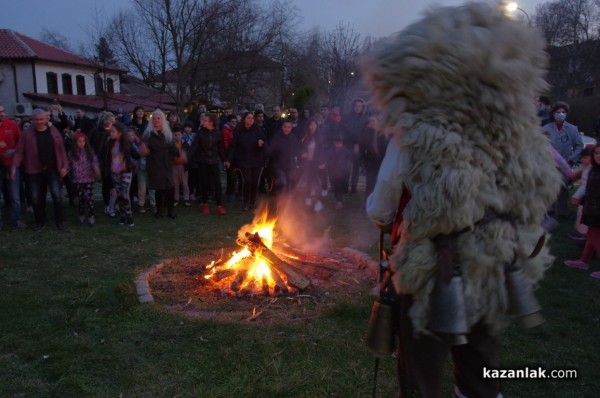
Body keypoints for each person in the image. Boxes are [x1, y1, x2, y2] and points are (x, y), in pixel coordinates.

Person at [363, 3, 562, 397]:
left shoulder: (415, 130)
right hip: (493, 265)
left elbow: (383, 205)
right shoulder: (521, 131)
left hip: (430, 267)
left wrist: (386, 220)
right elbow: (539, 196)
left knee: (422, 372)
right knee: (482, 371)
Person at [11, 108, 70, 231]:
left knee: (57, 195)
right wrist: (14, 167)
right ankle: (39, 221)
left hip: (53, 169)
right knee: (36, 197)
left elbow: (61, 150)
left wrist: (65, 166)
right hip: (34, 171)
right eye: (36, 120)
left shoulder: (53, 131)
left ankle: (59, 221)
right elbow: (19, 152)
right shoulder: (27, 134)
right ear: (33, 120)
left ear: (46, 119)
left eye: (41, 119)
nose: (39, 122)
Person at [564, 144, 600, 278]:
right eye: (596, 153)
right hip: (592, 209)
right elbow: (589, 189)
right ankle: (583, 261)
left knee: (594, 235)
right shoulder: (593, 170)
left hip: (597, 211)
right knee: (591, 235)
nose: (598, 156)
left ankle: (584, 261)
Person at [542, 101, 583, 217]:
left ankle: (562, 211)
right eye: (558, 112)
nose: (560, 114)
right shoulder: (546, 128)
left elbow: (579, 145)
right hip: (549, 163)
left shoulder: (572, 129)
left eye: (563, 112)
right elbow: (540, 144)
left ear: (566, 114)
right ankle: (548, 209)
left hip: (566, 162)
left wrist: (572, 158)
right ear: (553, 113)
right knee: (548, 186)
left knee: (563, 188)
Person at [140, 109, 179, 219]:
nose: (156, 120)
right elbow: (144, 150)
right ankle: (159, 211)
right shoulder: (148, 134)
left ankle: (171, 210)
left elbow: (173, 148)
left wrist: (178, 154)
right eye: (154, 118)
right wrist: (144, 151)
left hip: (167, 163)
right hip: (154, 164)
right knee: (159, 188)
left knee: (170, 187)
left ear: (162, 120)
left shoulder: (167, 133)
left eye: (159, 118)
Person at [224, 112, 266, 211]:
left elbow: (265, 142)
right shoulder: (238, 132)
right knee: (247, 181)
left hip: (257, 161)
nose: (251, 119)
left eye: (252, 118)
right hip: (244, 161)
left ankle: (253, 202)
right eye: (249, 118)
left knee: (255, 182)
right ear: (244, 120)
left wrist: (262, 143)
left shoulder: (257, 131)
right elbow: (233, 147)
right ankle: (246, 202)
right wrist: (228, 159)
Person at [190, 113, 226, 215]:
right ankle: (205, 204)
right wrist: (186, 157)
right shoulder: (200, 133)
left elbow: (220, 148)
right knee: (204, 183)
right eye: (203, 120)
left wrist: (225, 160)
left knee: (217, 184)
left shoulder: (217, 133)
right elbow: (194, 147)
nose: (202, 122)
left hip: (214, 161)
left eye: (205, 120)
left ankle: (219, 205)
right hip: (203, 161)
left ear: (211, 122)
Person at [0, 104, 26, 229]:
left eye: (3, 111)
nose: (2, 114)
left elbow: (21, 143)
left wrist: (13, 151)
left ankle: (16, 219)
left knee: (15, 195)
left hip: (11, 165)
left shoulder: (12, 125)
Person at [107, 122, 139, 226]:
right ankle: (122, 215)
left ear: (119, 133)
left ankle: (129, 216)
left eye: (113, 131)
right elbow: (106, 156)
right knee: (119, 194)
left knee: (125, 194)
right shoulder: (110, 142)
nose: (111, 133)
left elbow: (136, 154)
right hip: (115, 172)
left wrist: (141, 149)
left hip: (126, 171)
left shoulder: (127, 142)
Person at [69, 131, 100, 226]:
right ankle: (81, 216)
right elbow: (68, 164)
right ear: (75, 142)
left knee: (89, 198)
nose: (81, 143)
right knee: (81, 199)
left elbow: (94, 162)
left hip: (88, 179)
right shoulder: (72, 153)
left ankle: (91, 217)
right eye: (79, 141)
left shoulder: (89, 152)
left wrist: (97, 171)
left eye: (83, 141)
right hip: (78, 180)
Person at [339, 98, 368, 193]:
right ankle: (344, 186)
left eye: (359, 106)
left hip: (358, 147)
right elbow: (341, 130)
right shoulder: (346, 117)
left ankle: (354, 187)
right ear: (353, 106)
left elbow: (365, 133)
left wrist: (357, 143)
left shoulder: (365, 119)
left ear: (362, 107)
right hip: (347, 145)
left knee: (356, 168)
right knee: (346, 168)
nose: (357, 108)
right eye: (356, 106)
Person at [267, 119, 299, 194]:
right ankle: (279, 199)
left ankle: (286, 201)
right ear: (282, 127)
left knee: (289, 184)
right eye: (285, 127)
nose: (287, 129)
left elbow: (296, 150)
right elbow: (271, 151)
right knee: (282, 182)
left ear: (291, 128)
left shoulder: (293, 137)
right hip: (279, 166)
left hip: (290, 166)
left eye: (289, 127)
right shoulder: (277, 137)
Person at [570, 147, 593, 240]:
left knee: (584, 214)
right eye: (581, 157)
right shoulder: (586, 168)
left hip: (588, 197)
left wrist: (576, 196)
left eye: (585, 157)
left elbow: (586, 185)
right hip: (586, 197)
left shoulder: (591, 170)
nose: (582, 159)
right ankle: (583, 234)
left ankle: (583, 235)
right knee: (581, 213)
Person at [324, 135, 352, 209]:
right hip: (333, 172)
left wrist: (346, 169)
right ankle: (338, 199)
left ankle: (339, 201)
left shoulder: (346, 151)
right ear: (334, 143)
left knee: (340, 186)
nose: (338, 144)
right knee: (335, 186)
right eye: (337, 142)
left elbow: (349, 160)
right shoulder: (330, 150)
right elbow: (328, 160)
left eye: (340, 142)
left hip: (343, 172)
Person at [221, 114, 238, 202]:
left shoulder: (235, 130)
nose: (234, 123)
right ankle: (231, 193)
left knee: (233, 175)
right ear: (228, 122)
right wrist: (228, 158)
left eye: (235, 121)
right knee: (231, 176)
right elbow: (226, 145)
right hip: (229, 156)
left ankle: (231, 192)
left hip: (235, 155)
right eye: (232, 122)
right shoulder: (225, 131)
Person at [171, 127, 189, 206]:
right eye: (175, 135)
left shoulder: (185, 144)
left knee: (184, 183)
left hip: (183, 166)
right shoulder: (171, 145)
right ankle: (176, 198)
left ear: (181, 135)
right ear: (172, 136)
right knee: (175, 183)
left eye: (178, 135)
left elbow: (188, 154)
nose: (177, 136)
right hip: (174, 165)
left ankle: (186, 198)